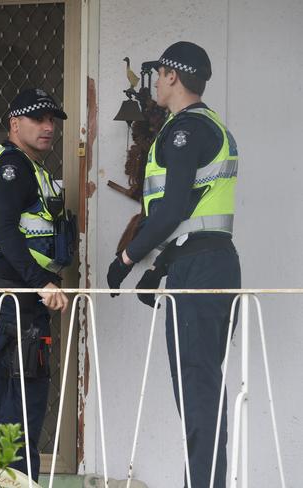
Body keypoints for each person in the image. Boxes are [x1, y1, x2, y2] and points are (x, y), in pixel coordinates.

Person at [106, 41, 240, 488]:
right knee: (196, 392)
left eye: (160, 74)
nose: (156, 83)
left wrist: (125, 259)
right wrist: (158, 270)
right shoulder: (201, 127)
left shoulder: (186, 130)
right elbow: (193, 218)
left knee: (199, 394)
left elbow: (172, 209)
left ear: (172, 77)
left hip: (202, 273)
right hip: (200, 264)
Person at [0, 88, 71, 481]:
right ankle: (10, 480)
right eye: (38, 120)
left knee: (8, 400)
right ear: (15, 124)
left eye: (53, 121)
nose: (48, 128)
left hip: (8, 294)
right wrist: (41, 282)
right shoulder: (13, 166)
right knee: (21, 401)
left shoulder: (25, 166)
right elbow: (4, 230)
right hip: (13, 296)